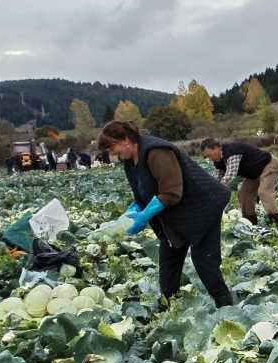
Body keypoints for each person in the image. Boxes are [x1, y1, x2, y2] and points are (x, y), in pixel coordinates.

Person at [98, 120, 234, 307]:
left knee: (204, 262)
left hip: (203, 207)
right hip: (175, 215)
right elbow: (143, 192)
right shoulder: (129, 161)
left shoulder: (157, 152)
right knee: (169, 264)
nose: (113, 154)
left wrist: (145, 215)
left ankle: (226, 306)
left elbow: (171, 192)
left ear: (126, 139)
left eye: (113, 148)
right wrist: (133, 211)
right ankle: (172, 309)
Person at [199, 137, 278, 228]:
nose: (209, 158)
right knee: (243, 194)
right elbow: (217, 179)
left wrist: (218, 193)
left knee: (264, 192)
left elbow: (229, 175)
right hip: (253, 173)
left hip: (268, 165)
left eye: (209, 155)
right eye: (207, 157)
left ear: (216, 148)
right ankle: (250, 223)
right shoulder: (218, 161)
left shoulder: (232, 151)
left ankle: (275, 224)